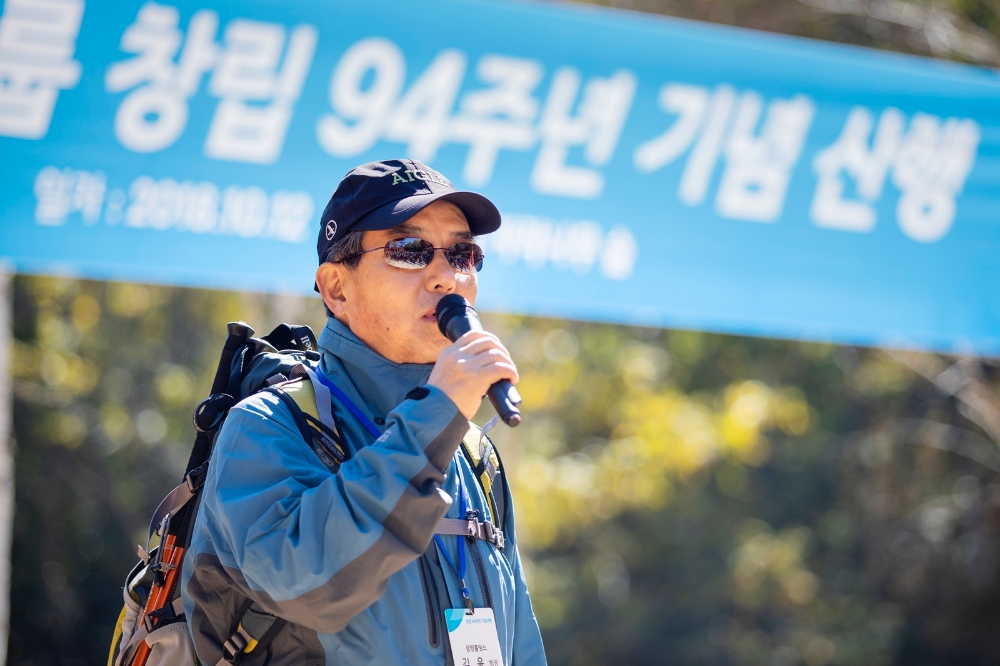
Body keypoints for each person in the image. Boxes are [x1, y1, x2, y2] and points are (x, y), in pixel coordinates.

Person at [180, 159, 547, 665]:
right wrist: (436, 413)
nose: (446, 277)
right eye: (410, 251)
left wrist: (442, 421)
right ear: (336, 288)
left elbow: (520, 643)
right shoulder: (265, 426)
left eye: (462, 253)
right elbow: (309, 585)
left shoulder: (473, 454)